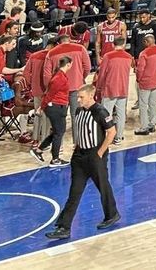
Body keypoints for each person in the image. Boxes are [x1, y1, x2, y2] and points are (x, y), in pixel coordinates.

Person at [45, 84, 120, 239]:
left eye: (81, 97)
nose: (78, 100)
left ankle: (111, 214)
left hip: (94, 155)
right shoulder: (79, 111)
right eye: (78, 97)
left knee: (103, 187)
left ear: (91, 96)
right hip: (79, 156)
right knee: (74, 192)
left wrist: (100, 152)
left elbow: (112, 132)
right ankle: (64, 227)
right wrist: (77, 148)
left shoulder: (100, 111)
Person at [33, 54, 72, 166]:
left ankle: (39, 150)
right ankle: (55, 159)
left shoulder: (60, 76)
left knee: (58, 132)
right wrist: (42, 107)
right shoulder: (59, 78)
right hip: (55, 107)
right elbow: (49, 94)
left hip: (58, 106)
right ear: (68, 64)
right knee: (59, 133)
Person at [95, 37, 132, 145]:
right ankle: (118, 137)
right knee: (121, 114)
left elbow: (102, 74)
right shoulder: (129, 57)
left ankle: (106, 137)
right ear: (124, 44)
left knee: (106, 114)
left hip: (110, 89)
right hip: (123, 89)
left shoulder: (108, 56)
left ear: (112, 45)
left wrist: (98, 87)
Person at [134, 34, 156, 135]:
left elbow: (140, 69)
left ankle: (144, 127)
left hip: (146, 82)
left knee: (143, 105)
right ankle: (152, 125)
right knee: (153, 104)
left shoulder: (144, 53)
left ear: (146, 42)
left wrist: (138, 79)